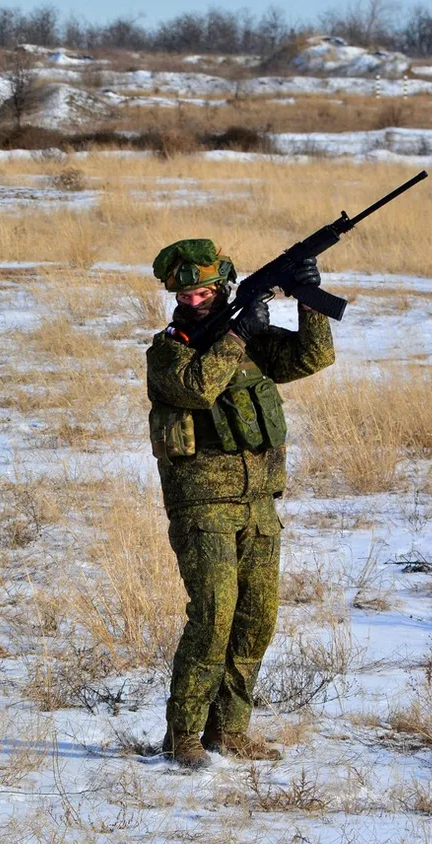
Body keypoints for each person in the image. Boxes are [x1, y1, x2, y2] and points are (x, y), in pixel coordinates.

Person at [146, 239, 335, 769]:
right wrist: (235, 334)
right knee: (212, 615)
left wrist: (308, 297)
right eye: (186, 293)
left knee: (256, 620)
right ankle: (182, 734)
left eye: (205, 289)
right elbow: (198, 388)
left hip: (258, 502)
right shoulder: (171, 350)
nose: (195, 298)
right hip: (202, 503)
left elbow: (313, 356)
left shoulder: (244, 340)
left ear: (223, 285)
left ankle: (229, 731)